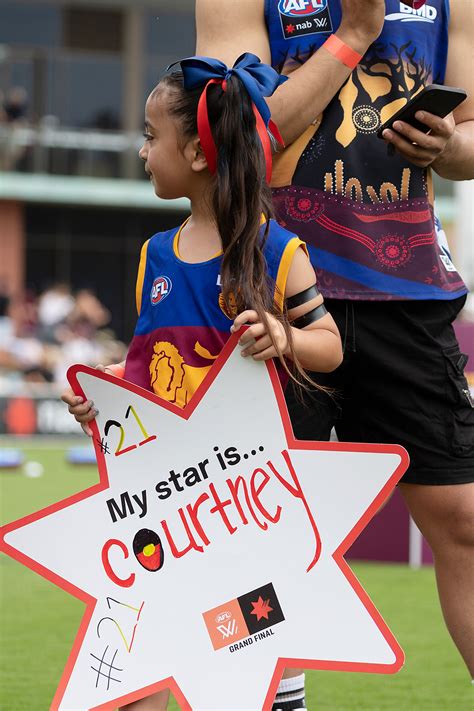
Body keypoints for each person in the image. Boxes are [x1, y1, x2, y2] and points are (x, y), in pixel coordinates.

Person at [196, 0, 474, 701]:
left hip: (407, 292)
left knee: (466, 521)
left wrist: (449, 145)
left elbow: (472, 139)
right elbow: (233, 136)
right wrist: (354, 35)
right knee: (258, 534)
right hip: (274, 289)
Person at [62, 53, 343, 710]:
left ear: (194, 150)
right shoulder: (154, 256)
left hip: (243, 514)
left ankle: (282, 687)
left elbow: (330, 347)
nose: (140, 150)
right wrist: (101, 396)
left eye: (150, 136)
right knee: (134, 679)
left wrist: (286, 338)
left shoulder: (278, 252)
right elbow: (143, 369)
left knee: (249, 675)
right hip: (164, 513)